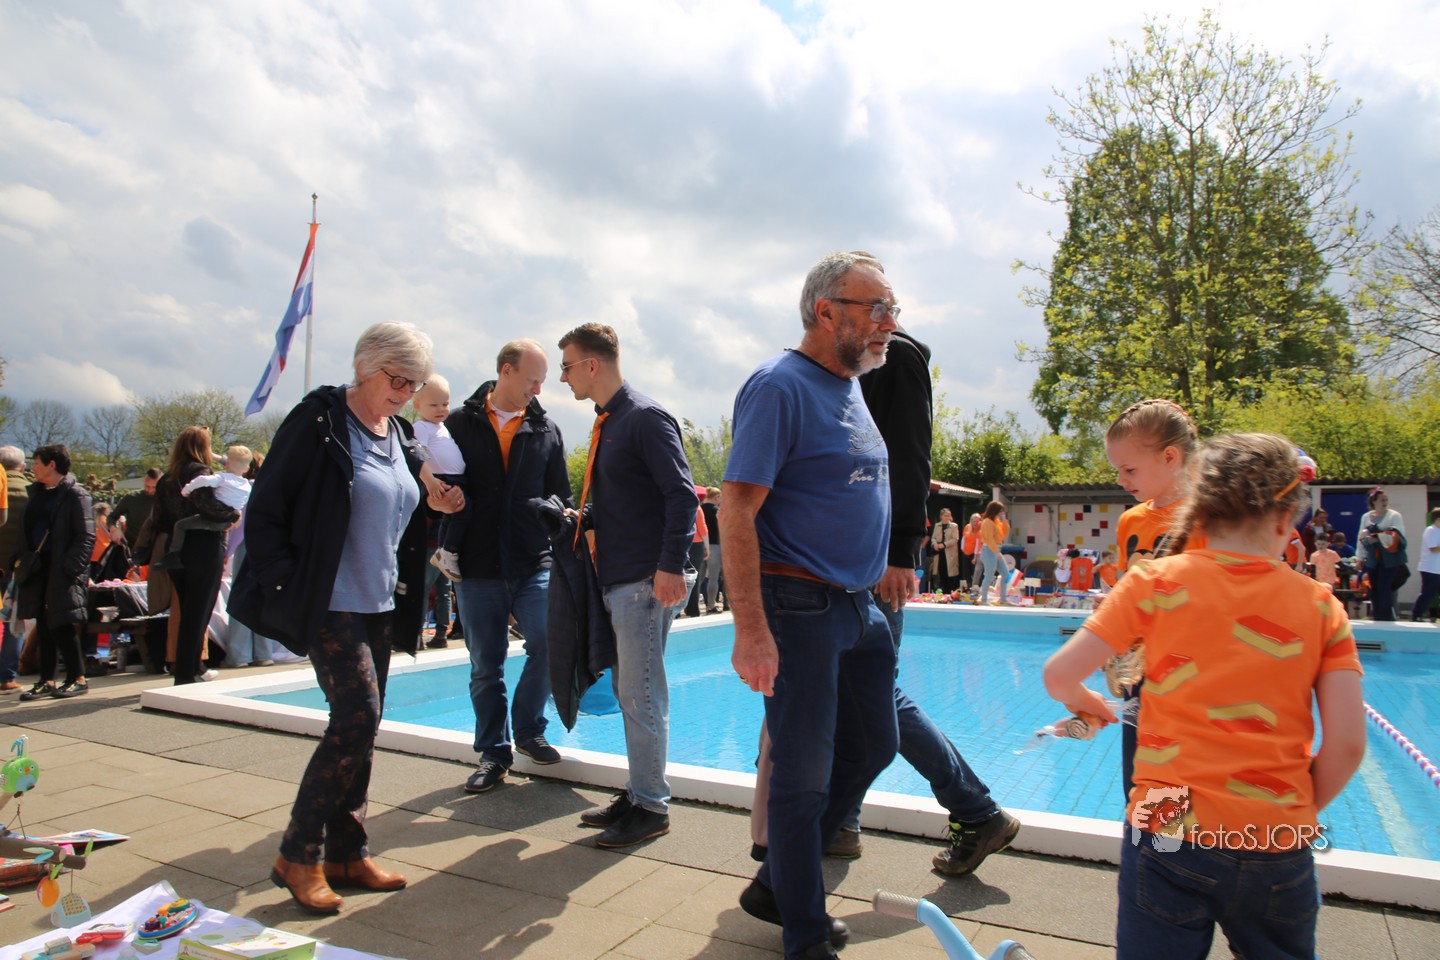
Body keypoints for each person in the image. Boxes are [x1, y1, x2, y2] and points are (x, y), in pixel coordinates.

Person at [1043, 432, 1366, 959]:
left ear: (1199, 508)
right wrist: (1288, 810)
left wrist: (1093, 705)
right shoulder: (1321, 607)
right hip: (1275, 830)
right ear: (1286, 520)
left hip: (1167, 814)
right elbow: (1348, 745)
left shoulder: (1154, 582)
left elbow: (1059, 675)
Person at [230, 321, 463, 914]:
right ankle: (297, 854)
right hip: (329, 599)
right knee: (356, 719)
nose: (405, 392)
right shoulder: (319, 421)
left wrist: (435, 497)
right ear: (364, 366)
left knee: (365, 725)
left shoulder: (399, 431)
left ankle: (347, 853)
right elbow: (267, 509)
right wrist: (287, 581)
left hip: (380, 599)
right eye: (397, 379)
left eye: (413, 383)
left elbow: (402, 492)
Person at [723, 251, 900, 960]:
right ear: (827, 312)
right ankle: (803, 934)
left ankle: (779, 882)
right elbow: (737, 510)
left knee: (876, 744)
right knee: (801, 778)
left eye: (892, 309)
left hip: (858, 608)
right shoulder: (778, 386)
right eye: (876, 308)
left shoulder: (850, 384)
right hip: (797, 603)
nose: (889, 322)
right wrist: (751, 630)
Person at [559, 322, 698, 849]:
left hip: (644, 580)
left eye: (568, 366)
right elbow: (629, 500)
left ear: (592, 364)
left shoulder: (643, 418)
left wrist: (670, 566)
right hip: (623, 577)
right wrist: (580, 517)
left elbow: (681, 495)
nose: (565, 378)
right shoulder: (612, 421)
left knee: (641, 696)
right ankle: (639, 792)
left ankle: (651, 807)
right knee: (631, 694)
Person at [444, 339, 573, 793]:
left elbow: (562, 494)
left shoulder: (547, 429)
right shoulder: (457, 424)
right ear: (506, 371)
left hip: (533, 560)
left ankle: (529, 730)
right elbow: (436, 486)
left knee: (550, 643)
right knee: (486, 664)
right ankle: (493, 754)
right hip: (477, 565)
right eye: (532, 379)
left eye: (542, 381)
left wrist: (550, 512)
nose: (538, 389)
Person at [1104, 398, 1205, 800]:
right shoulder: (1131, 521)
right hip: (1140, 674)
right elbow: (1126, 590)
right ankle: (1144, 837)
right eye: (1117, 470)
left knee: (1175, 779)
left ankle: (1166, 839)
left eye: (1129, 470)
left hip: (1189, 677)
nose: (1120, 480)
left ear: (1170, 457)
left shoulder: (1209, 522)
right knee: (1137, 777)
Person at [151, 427, 240, 685]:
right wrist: (232, 514)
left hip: (175, 546)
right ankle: (187, 673)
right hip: (204, 545)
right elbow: (206, 504)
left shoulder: (166, 478)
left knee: (187, 611)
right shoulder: (200, 473)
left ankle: (190, 668)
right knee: (198, 612)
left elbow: (158, 519)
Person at [16, 445, 94, 700]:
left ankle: (77, 677)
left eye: (37, 462)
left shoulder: (76, 494)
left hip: (62, 569)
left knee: (62, 622)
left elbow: (86, 536)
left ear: (52, 465)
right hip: (39, 568)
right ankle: (46, 679)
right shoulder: (37, 493)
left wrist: (69, 568)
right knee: (43, 622)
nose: (33, 467)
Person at [412, 376, 469, 584]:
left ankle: (444, 549)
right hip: (441, 478)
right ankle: (448, 551)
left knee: (452, 516)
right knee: (462, 512)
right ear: (417, 405)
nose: (441, 409)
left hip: (454, 477)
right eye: (434, 405)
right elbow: (417, 455)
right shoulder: (421, 427)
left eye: (445, 404)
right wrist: (430, 481)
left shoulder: (442, 426)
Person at [157, 444, 253, 564]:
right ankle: (223, 550)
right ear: (246, 469)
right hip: (227, 522)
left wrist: (187, 490)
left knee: (180, 525)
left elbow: (202, 480)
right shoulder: (247, 486)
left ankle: (173, 553)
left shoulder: (222, 478)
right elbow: (242, 503)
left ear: (227, 464)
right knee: (223, 531)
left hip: (212, 518)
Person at [0, 446, 29, 692]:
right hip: (16, 569)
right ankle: (6, 677)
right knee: (14, 621)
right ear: (23, 466)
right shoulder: (31, 492)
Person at [1356, 487, 1406, 621]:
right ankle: (1377, 617)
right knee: (1374, 589)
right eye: (1382, 500)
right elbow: (1360, 538)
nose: (1385, 502)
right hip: (1373, 558)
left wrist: (1377, 537)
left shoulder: (1394, 516)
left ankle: (1387, 618)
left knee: (1384, 588)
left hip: (1389, 559)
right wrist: (1359, 558)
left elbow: (1398, 535)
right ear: (1374, 501)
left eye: (1386, 500)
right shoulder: (1366, 517)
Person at [974, 501, 1010, 605]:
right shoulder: (987, 522)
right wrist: (996, 552)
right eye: (1000, 510)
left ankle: (1003, 599)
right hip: (989, 550)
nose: (1001, 512)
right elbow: (989, 539)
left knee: (1005, 574)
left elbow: (1004, 534)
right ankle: (984, 600)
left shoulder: (996, 521)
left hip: (995, 549)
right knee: (989, 576)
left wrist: (1004, 520)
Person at [683, 494, 710, 618]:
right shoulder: (696, 507)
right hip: (695, 544)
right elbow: (702, 528)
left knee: (679, 575)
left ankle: (676, 609)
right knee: (694, 578)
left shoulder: (674, 505)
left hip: (679, 543)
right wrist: (707, 547)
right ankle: (692, 609)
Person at [700, 486, 723, 612]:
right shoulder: (717, 511)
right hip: (714, 545)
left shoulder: (699, 509)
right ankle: (710, 605)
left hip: (699, 545)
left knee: (698, 579)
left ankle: (689, 606)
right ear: (716, 497)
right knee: (713, 578)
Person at [1415, 508, 1440, 623]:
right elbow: (1433, 548)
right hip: (1429, 569)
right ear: (1438, 519)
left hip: (1437, 569)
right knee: (1427, 594)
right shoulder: (1430, 531)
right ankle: (1417, 615)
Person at [928, 508, 961, 594]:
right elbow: (933, 537)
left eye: (949, 516)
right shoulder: (937, 525)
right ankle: (943, 592)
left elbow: (955, 539)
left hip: (950, 554)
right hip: (939, 554)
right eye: (945, 516)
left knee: (950, 574)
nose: (947, 517)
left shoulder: (954, 526)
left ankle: (950, 593)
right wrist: (935, 544)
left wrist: (944, 544)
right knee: (941, 573)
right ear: (941, 516)